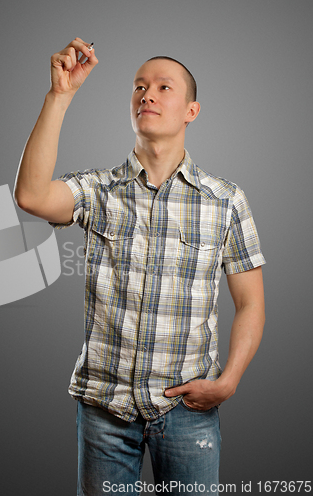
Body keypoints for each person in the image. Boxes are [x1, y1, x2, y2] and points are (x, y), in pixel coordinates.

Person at [14, 38, 266, 496]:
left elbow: (250, 303)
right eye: (138, 86)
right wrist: (60, 95)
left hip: (188, 413)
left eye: (163, 87)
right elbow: (31, 195)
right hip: (103, 413)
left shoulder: (226, 200)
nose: (146, 94)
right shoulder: (97, 191)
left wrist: (227, 382)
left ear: (192, 110)